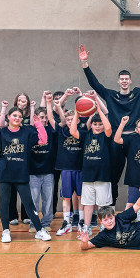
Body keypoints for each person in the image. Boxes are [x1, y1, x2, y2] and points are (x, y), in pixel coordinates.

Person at [78, 44, 140, 208]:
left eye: (126, 79)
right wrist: (85, 63)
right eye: (122, 79)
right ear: (118, 81)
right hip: (117, 139)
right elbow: (95, 84)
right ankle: (110, 208)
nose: (124, 81)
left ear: (130, 81)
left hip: (135, 139)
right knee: (113, 175)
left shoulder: (139, 93)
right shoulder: (110, 95)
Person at [0, 107, 51, 243]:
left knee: (29, 203)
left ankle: (39, 230)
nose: (17, 118)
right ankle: (5, 231)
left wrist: (38, 124)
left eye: (19, 116)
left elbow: (43, 140)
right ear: (8, 117)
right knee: (4, 202)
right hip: (4, 173)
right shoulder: (1, 133)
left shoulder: (27, 132)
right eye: (14, 115)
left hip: (21, 173)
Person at [70, 98, 113, 236]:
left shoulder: (106, 136)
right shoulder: (85, 135)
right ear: (91, 125)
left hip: (102, 175)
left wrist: (99, 111)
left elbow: (108, 128)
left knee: (102, 205)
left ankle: (103, 227)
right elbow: (72, 131)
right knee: (88, 204)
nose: (98, 126)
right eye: (95, 124)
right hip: (88, 176)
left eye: (100, 124)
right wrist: (77, 113)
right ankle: (87, 227)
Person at [45, 94, 83, 236]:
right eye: (67, 119)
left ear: (78, 120)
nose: (69, 121)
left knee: (80, 198)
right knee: (66, 198)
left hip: (79, 168)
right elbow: (50, 118)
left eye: (72, 119)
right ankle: (66, 223)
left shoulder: (82, 132)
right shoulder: (61, 131)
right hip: (66, 169)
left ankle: (81, 223)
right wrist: (49, 103)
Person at [0, 93, 36, 225]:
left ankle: (26, 215)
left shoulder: (28, 117)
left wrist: (33, 109)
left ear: (27, 102)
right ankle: (12, 215)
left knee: (25, 193)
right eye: (19, 100)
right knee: (10, 192)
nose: (21, 102)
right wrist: (3, 107)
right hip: (8, 163)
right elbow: (1, 125)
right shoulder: (11, 114)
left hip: (23, 158)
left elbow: (33, 126)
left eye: (24, 100)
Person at [28, 107, 55, 233]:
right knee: (33, 200)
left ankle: (46, 222)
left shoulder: (52, 130)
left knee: (48, 199)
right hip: (33, 172)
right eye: (41, 117)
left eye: (46, 117)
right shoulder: (30, 131)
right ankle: (33, 223)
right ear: (36, 118)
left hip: (48, 171)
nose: (44, 120)